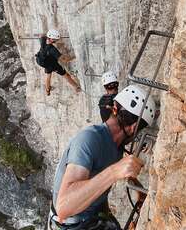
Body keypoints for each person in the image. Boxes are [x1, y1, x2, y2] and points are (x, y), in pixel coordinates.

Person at [49, 85, 156, 229]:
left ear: (115, 108)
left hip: (93, 213)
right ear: (134, 127)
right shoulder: (89, 139)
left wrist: (137, 187)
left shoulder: (116, 144)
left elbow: (112, 170)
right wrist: (114, 172)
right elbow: (63, 208)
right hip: (72, 224)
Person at [35, 29, 81, 95]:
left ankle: (47, 90)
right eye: (55, 39)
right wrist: (74, 57)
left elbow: (41, 35)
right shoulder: (52, 50)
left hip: (40, 60)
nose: (56, 41)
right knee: (65, 75)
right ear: (51, 39)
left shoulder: (43, 39)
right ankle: (76, 87)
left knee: (48, 75)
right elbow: (64, 59)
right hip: (50, 63)